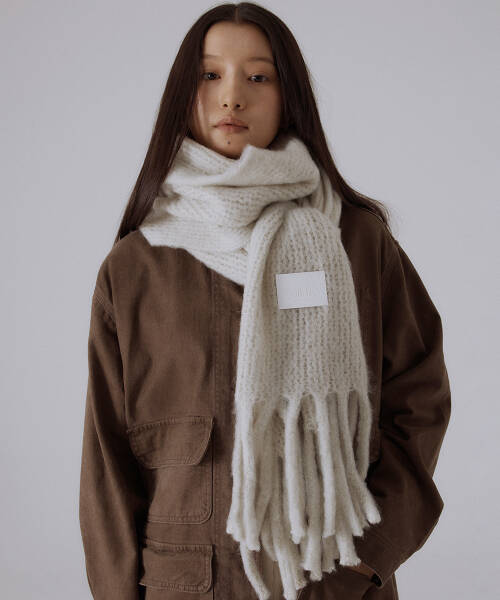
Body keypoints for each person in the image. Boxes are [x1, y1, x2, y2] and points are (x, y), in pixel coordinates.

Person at [78, 3, 451, 600]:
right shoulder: (135, 265)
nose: (232, 97)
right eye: (209, 75)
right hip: (184, 585)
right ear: (182, 94)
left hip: (332, 582)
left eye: (258, 76)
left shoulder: (355, 240)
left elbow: (419, 403)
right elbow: (107, 461)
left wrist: (364, 563)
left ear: (288, 96)